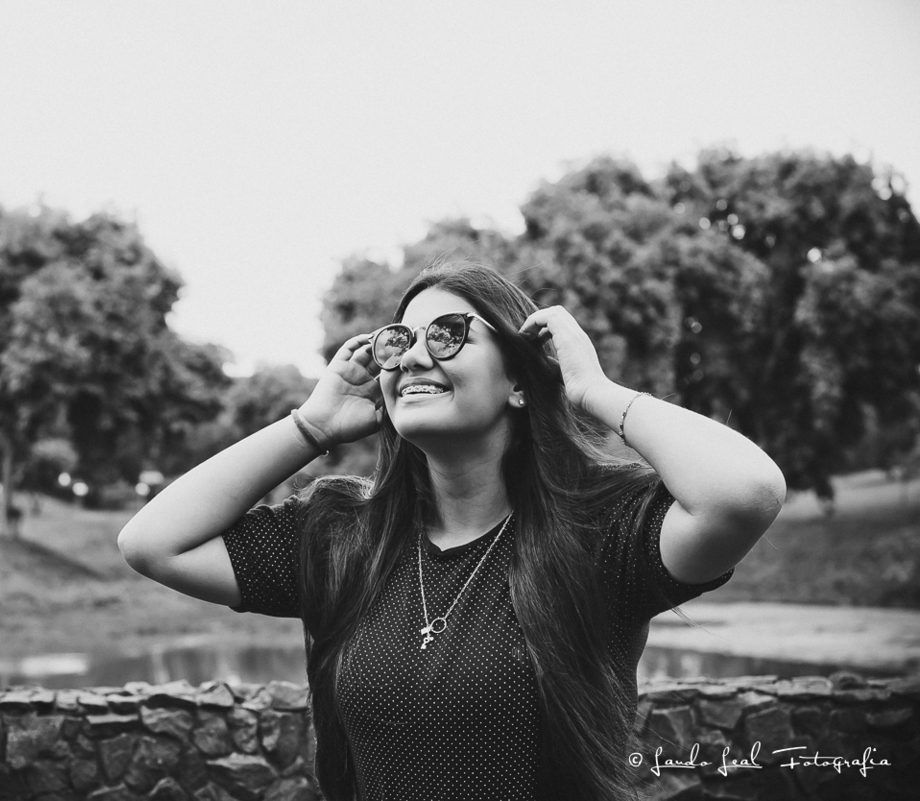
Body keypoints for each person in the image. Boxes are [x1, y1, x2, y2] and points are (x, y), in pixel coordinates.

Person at [118, 260, 786, 800]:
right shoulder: (340, 534)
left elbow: (745, 492)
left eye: (447, 334)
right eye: (399, 341)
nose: (412, 358)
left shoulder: (597, 532)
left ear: (518, 380)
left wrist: (592, 392)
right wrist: (311, 427)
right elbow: (153, 543)